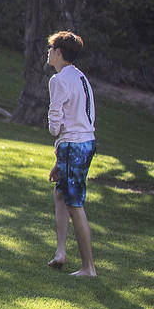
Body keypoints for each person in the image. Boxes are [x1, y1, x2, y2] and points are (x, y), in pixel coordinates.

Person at [45, 31, 97, 277]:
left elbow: (56, 124)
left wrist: (56, 134)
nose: (48, 52)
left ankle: (89, 268)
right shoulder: (80, 77)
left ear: (58, 53)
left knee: (75, 204)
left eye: (51, 48)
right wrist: (60, 161)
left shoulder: (59, 80)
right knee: (60, 194)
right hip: (86, 143)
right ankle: (61, 252)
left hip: (74, 146)